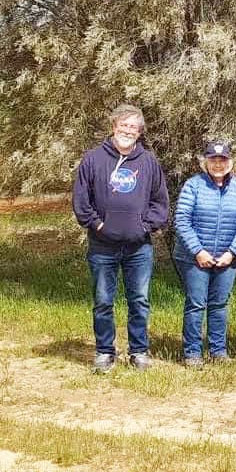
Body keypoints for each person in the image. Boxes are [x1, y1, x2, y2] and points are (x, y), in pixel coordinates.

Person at [72, 103, 169, 373]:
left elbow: (160, 201)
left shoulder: (149, 161)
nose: (127, 130)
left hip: (139, 247)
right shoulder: (93, 159)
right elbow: (81, 201)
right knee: (103, 300)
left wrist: (145, 226)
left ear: (139, 132)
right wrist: (98, 224)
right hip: (103, 246)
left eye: (133, 127)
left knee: (139, 300)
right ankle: (105, 352)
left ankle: (139, 351)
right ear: (114, 126)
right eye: (123, 125)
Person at [172, 140, 236, 366]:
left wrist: (232, 252)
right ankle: (192, 353)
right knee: (196, 304)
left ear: (230, 162)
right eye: (213, 160)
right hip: (194, 258)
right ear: (204, 162)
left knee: (219, 304)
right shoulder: (193, 185)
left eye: (223, 160)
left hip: (227, 258)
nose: (218, 164)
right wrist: (198, 251)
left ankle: (218, 351)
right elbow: (182, 221)